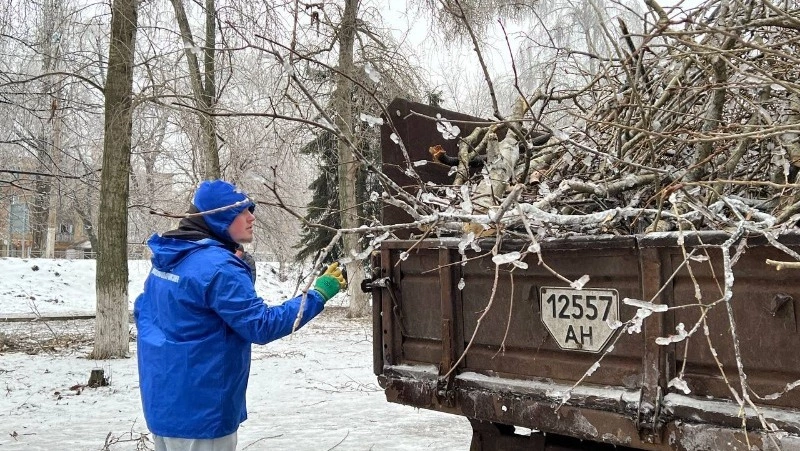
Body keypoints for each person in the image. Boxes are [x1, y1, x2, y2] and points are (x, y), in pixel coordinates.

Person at [134, 179, 345, 451]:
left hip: (163, 403)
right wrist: (318, 294)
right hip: (203, 411)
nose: (251, 217)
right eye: (240, 212)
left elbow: (156, 313)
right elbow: (261, 326)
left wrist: (241, 269)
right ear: (219, 218)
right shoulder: (219, 267)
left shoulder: (171, 256)